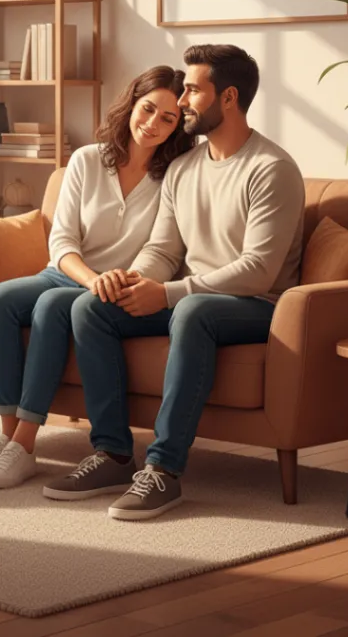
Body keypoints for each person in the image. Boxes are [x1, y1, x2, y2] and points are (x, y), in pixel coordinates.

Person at [44, 44, 304, 520]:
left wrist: (167, 293)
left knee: (192, 309)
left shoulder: (271, 170)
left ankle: (163, 471)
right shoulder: (184, 168)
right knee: (90, 308)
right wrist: (131, 282)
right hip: (192, 299)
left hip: (257, 305)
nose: (181, 101)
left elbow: (258, 270)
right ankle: (114, 454)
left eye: (191, 90)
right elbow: (164, 250)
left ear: (227, 98)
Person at [0, 66, 195, 489]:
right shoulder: (87, 159)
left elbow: (162, 249)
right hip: (69, 274)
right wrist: (90, 280)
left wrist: (123, 280)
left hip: (117, 284)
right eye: (148, 109)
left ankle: (25, 445)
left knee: (50, 307)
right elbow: (63, 241)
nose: (152, 123)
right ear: (131, 105)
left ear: (177, 127)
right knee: (0, 299)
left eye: (167, 118)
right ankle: (9, 436)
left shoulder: (173, 176)